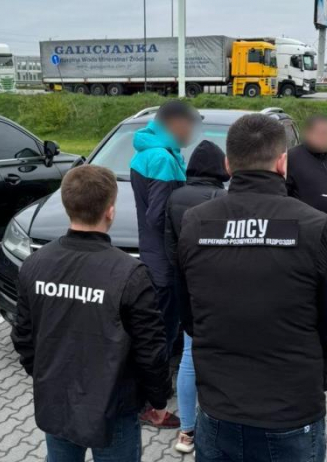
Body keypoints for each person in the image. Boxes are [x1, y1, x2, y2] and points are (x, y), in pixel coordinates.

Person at [176, 114, 327, 462]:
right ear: (283, 163)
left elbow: (188, 316)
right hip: (290, 409)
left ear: (228, 165)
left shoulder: (195, 223)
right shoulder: (316, 226)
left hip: (219, 408)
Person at [11, 165, 173, 462]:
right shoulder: (130, 273)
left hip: (58, 402)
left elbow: (23, 336)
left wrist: (47, 376)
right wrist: (158, 399)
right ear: (110, 211)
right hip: (115, 408)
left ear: (67, 206)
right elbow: (151, 350)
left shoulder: (35, 264)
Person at [130, 100, 200, 428]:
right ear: (174, 123)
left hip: (152, 255)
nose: (192, 131)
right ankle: (152, 406)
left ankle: (148, 394)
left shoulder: (151, 151)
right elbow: (158, 216)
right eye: (190, 125)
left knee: (155, 331)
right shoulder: (162, 159)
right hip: (164, 263)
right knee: (163, 333)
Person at [163, 140, 230, 454]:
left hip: (188, 286)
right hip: (220, 289)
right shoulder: (224, 198)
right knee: (221, 357)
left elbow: (169, 246)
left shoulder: (175, 196)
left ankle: (186, 432)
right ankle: (220, 431)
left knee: (189, 357)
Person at [286, 114, 327, 214]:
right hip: (306, 220)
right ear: (307, 134)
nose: (326, 138)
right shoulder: (291, 157)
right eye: (322, 133)